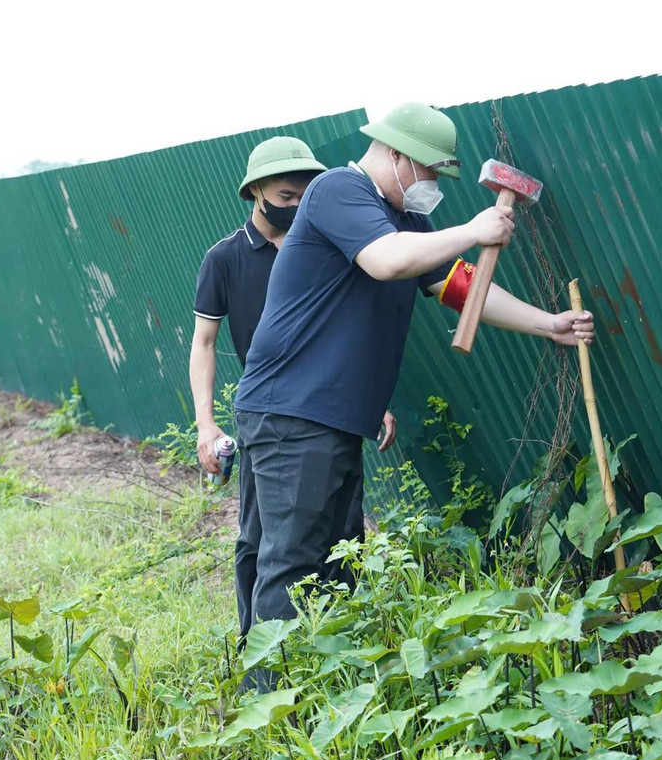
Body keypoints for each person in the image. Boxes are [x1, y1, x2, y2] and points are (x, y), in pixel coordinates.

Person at [233, 103, 596, 652]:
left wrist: (547, 324)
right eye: (430, 172)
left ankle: (312, 675)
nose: (433, 186)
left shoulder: (404, 220)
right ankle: (268, 690)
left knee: (334, 556)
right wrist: (472, 229)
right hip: (291, 410)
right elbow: (386, 261)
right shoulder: (337, 190)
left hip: (329, 417)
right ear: (397, 155)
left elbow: (460, 286)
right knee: (293, 560)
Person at [189, 136, 399, 642]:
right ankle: (257, 646)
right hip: (271, 410)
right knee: (260, 537)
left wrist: (371, 396)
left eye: (306, 196)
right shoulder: (225, 258)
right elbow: (204, 342)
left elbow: (351, 325)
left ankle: (331, 643)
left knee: (342, 532)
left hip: (329, 404)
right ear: (255, 192)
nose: (298, 205)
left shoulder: (328, 244)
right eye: (286, 196)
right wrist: (205, 424)